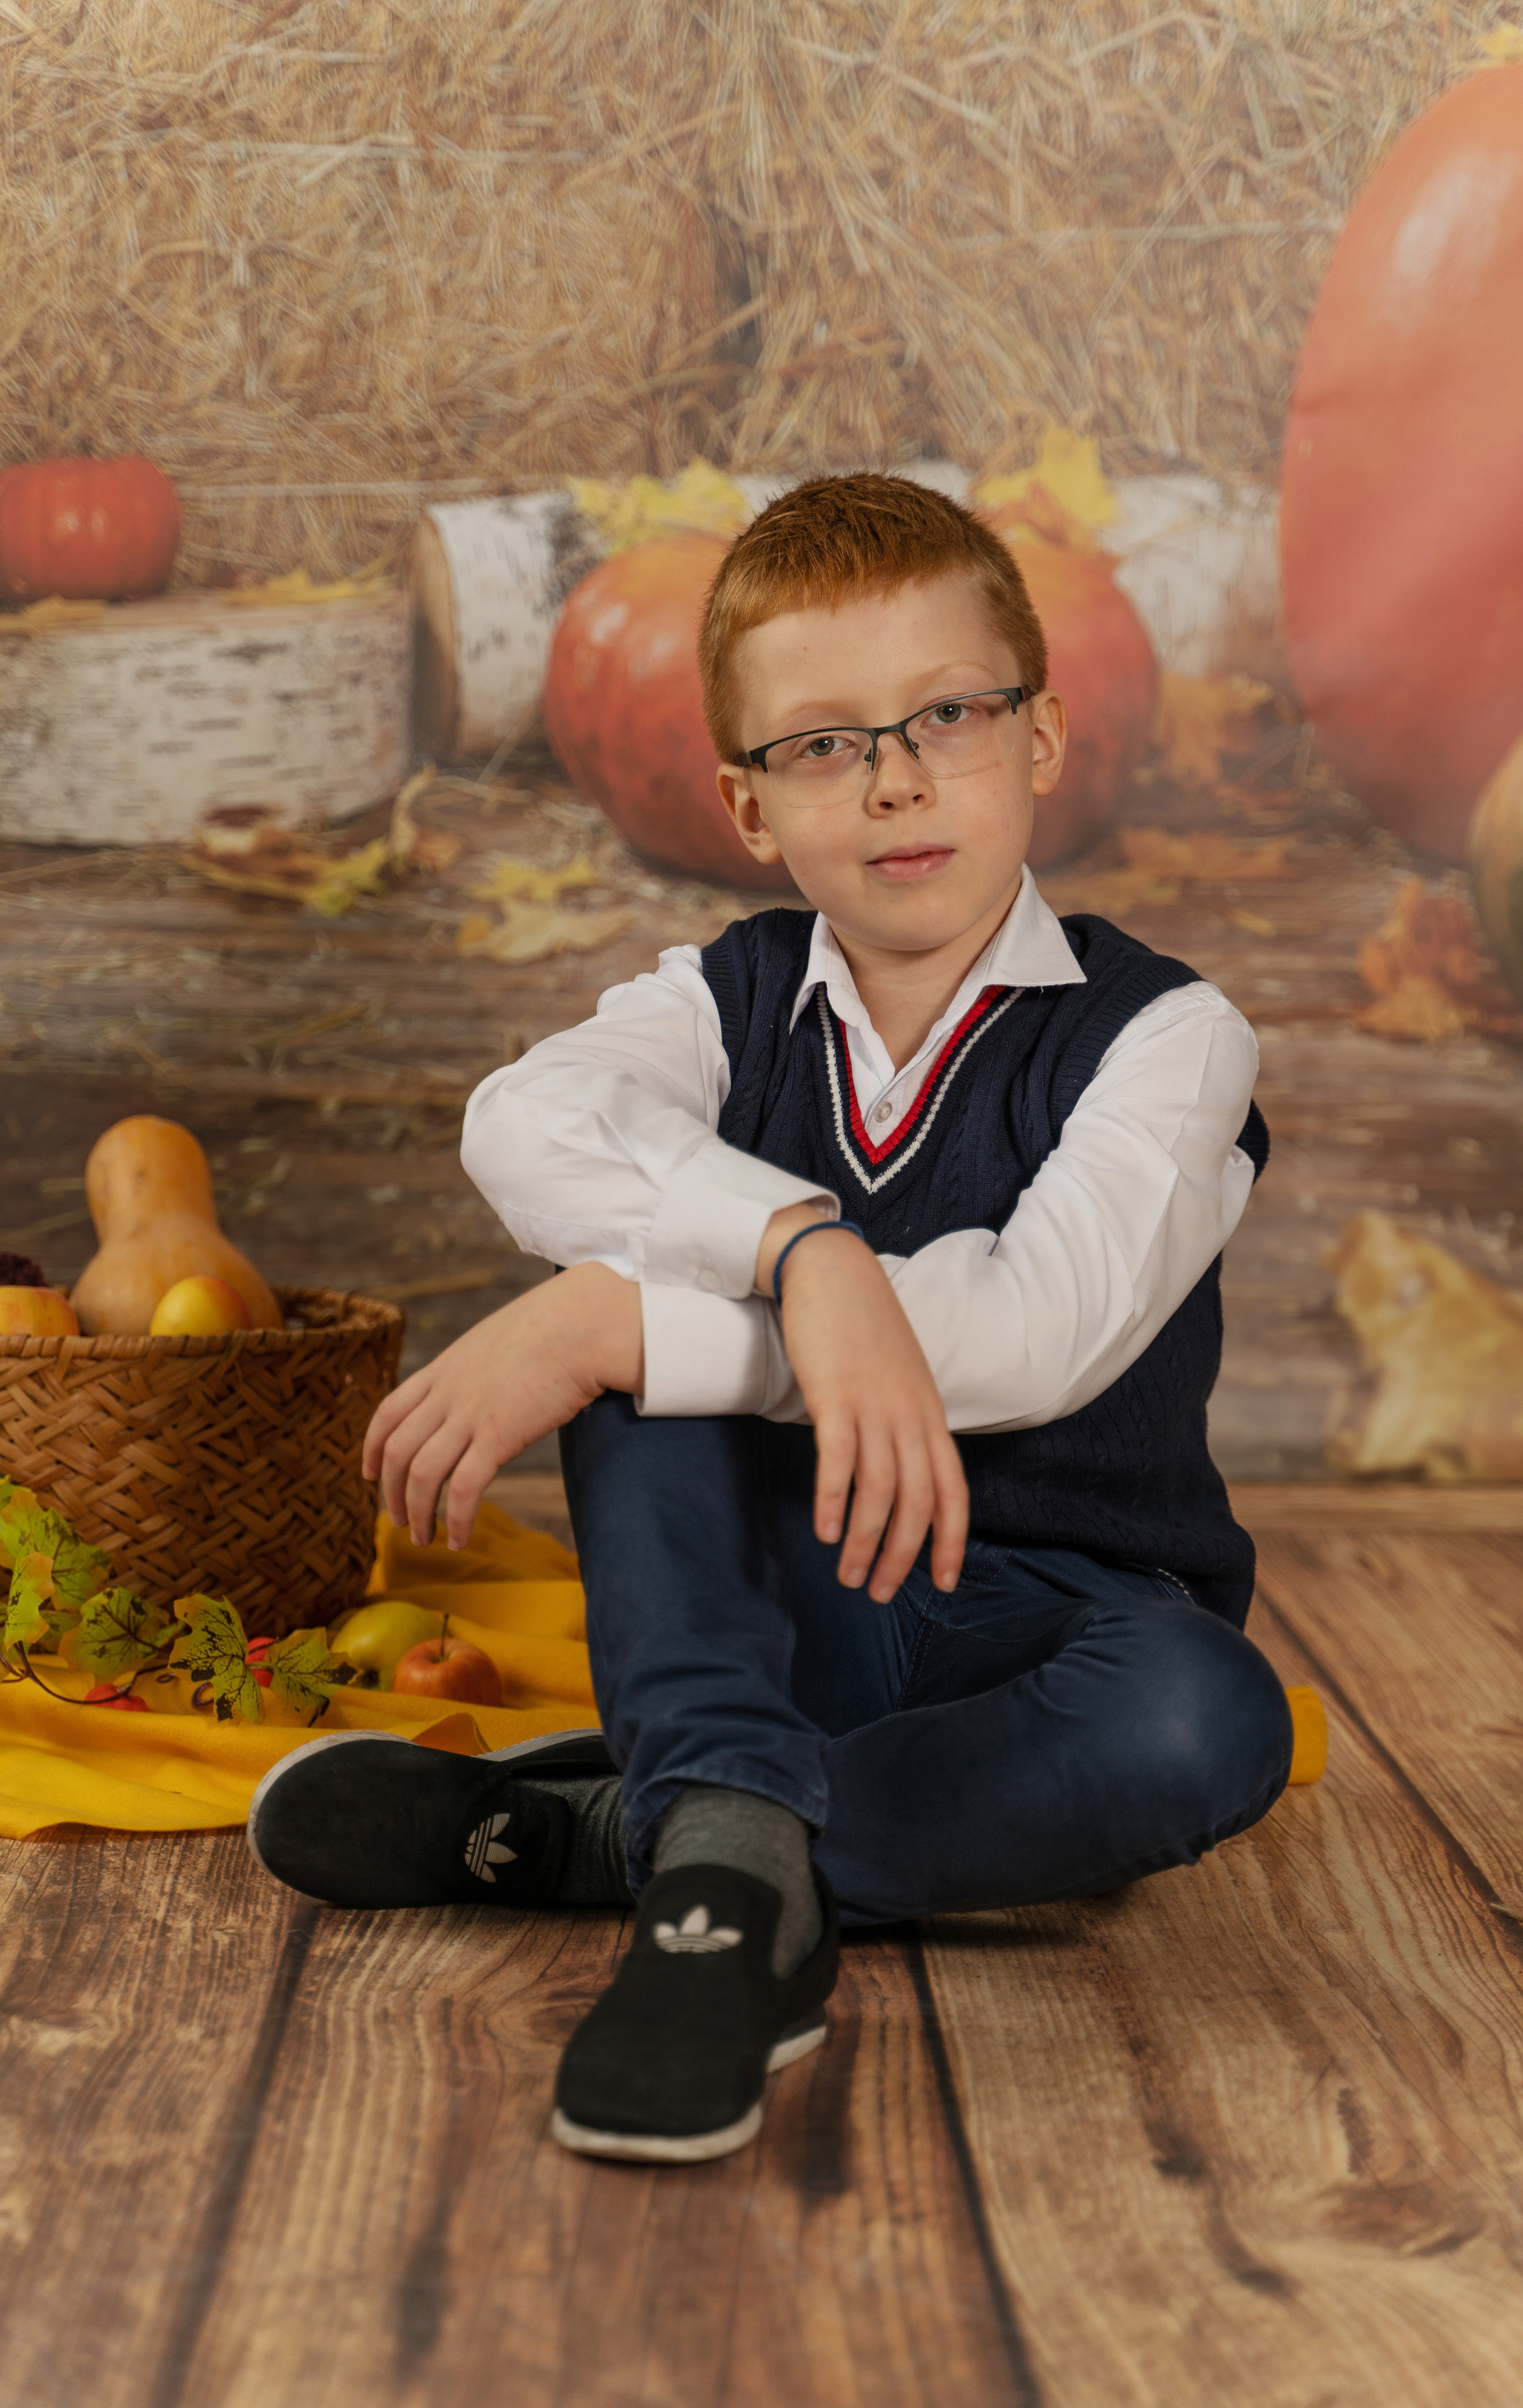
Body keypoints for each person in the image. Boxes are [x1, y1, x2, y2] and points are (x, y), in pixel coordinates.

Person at [248, 472, 1293, 2165]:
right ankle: (724, 1914)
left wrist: (628, 1324)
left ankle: (649, 1837)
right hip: (785, 1605)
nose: (894, 777)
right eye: (823, 743)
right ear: (746, 805)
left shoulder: (1168, 1038)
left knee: (1211, 1720)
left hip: (1055, 1642)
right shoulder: (722, 1004)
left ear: (1039, 739)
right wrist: (801, 1245)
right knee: (639, 1311)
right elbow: (524, 1123)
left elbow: (1036, 1335)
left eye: (949, 713)